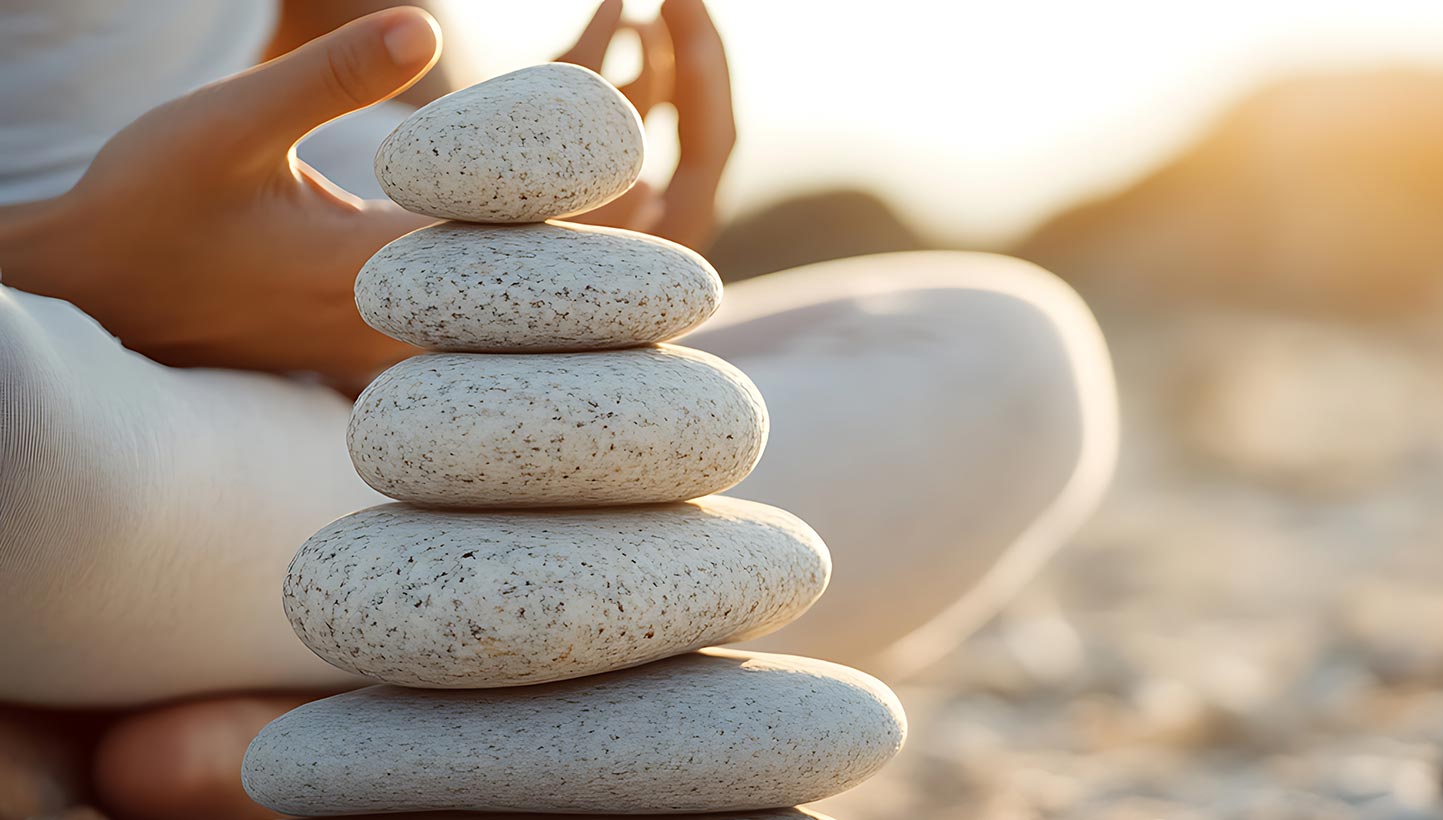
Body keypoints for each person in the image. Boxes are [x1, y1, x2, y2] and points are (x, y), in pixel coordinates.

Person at [0, 1, 1118, 817]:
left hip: (249, 426)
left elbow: (338, 32)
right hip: (64, 388)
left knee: (1006, 360)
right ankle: (324, 719)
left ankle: (287, 713)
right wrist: (91, 274)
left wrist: (483, 245)